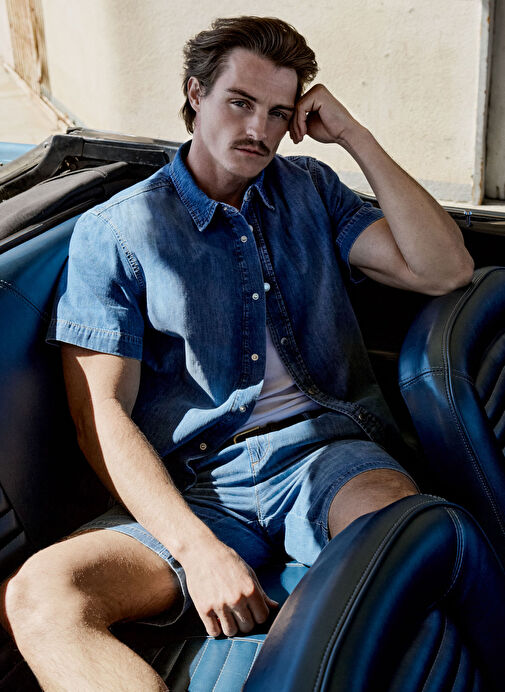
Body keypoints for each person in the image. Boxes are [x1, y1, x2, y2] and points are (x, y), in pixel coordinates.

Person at [0, 15, 473, 691]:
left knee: (398, 544)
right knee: (41, 598)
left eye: (278, 113)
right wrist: (197, 549)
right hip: (199, 485)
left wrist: (355, 136)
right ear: (195, 94)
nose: (259, 129)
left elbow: (444, 269)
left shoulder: (310, 189)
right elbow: (99, 414)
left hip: (329, 457)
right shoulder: (119, 231)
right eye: (240, 102)